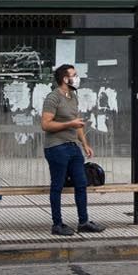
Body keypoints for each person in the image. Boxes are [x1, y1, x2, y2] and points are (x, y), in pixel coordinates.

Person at [41, 63, 106, 236]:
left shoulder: (73, 97)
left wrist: (85, 144)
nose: (77, 78)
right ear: (65, 78)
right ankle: (57, 224)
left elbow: (77, 123)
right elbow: (45, 124)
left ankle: (83, 222)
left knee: (81, 183)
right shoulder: (53, 98)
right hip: (56, 147)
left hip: (73, 147)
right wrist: (69, 124)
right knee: (57, 185)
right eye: (74, 75)